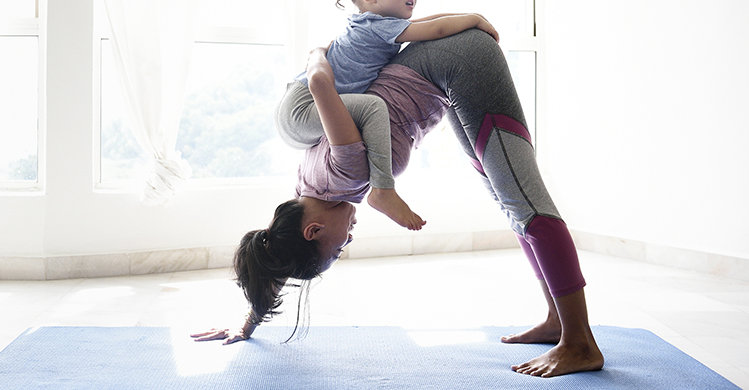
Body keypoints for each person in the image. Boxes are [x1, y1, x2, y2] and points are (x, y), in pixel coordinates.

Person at [194, 28, 605, 378]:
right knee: (512, 202)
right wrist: (248, 323)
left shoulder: (346, 171)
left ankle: (580, 343)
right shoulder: (307, 188)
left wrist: (316, 53)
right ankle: (558, 322)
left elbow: (322, 84)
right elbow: (282, 251)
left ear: (314, 230)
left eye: (339, 247)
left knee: (526, 203)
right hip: (445, 76)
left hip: (460, 62)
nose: (348, 239)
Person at [275, 0, 498, 231]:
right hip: (302, 107)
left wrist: (471, 16)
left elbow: (426, 23)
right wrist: (475, 22)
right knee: (373, 107)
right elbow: (437, 29)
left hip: (294, 109)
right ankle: (382, 189)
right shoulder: (379, 28)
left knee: (356, 116)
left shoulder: (373, 24)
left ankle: (378, 191)